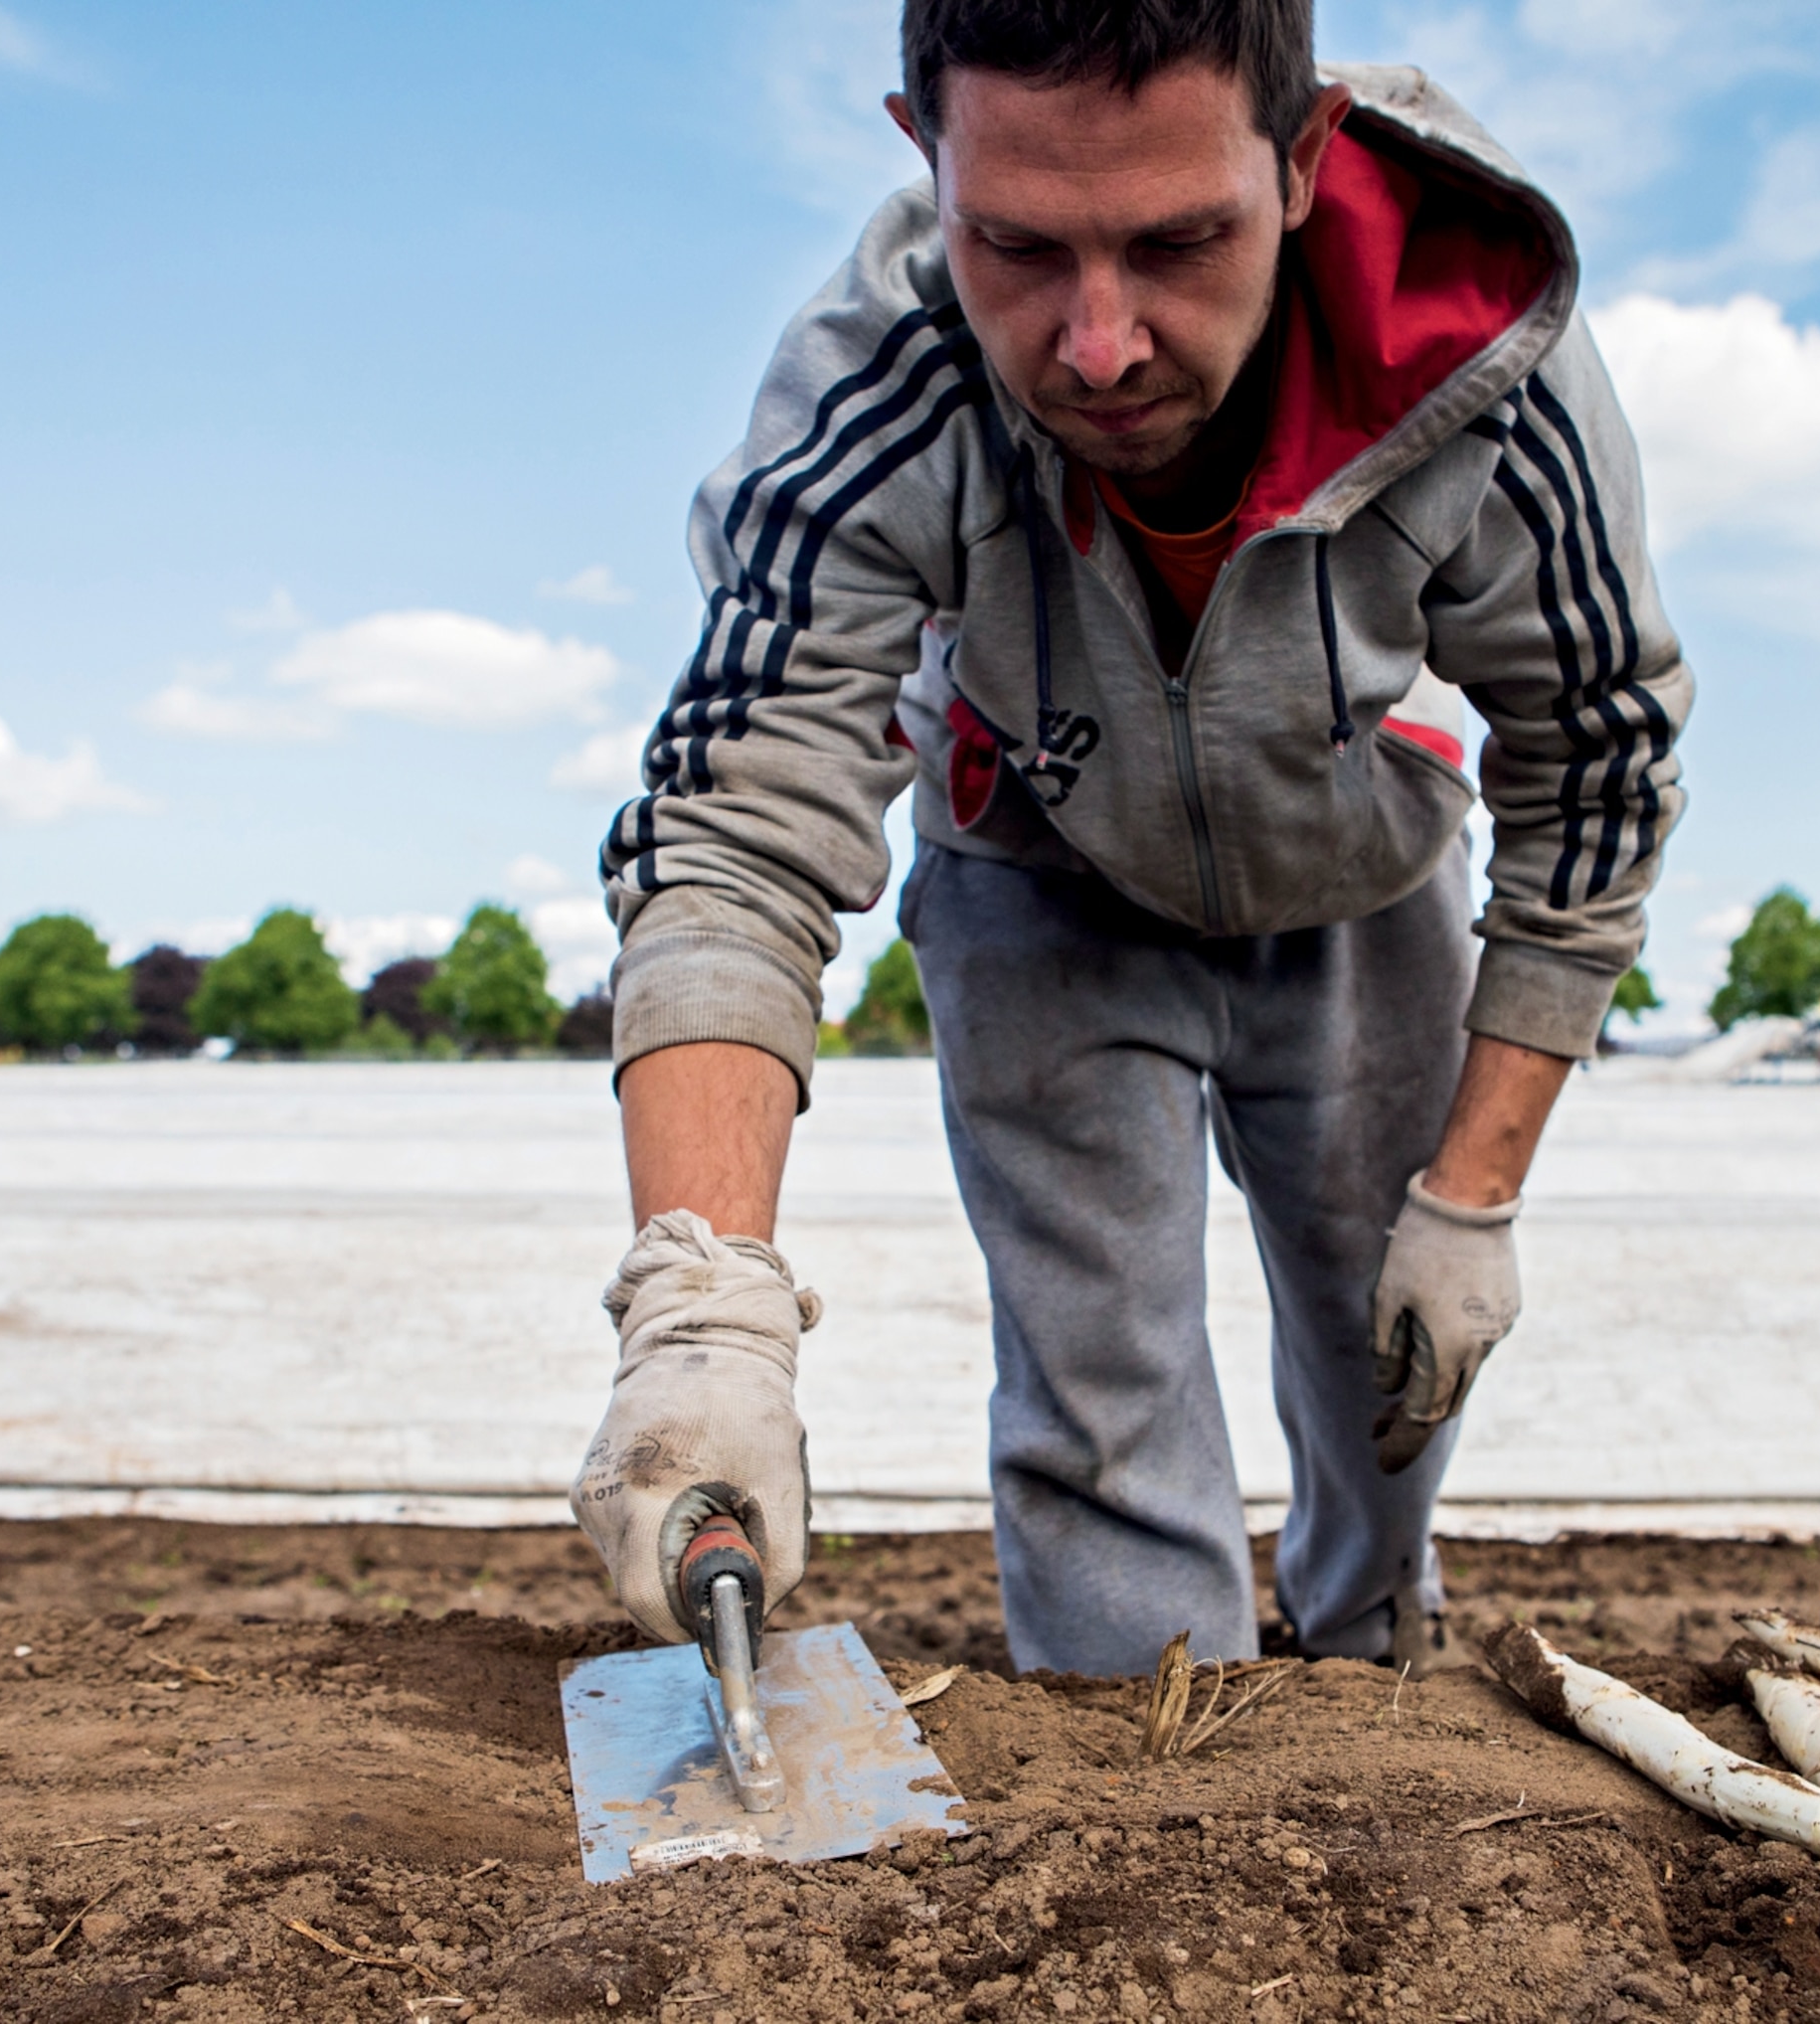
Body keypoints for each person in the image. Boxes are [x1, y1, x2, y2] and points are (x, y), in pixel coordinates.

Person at [575, 0, 1690, 1678]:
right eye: (1016, 243)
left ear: (1304, 159)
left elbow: (1596, 748)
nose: (1098, 345)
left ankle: (1371, 1643)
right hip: (1037, 872)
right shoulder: (889, 377)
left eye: (1181, 242)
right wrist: (700, 1305)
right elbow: (741, 812)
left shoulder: (1473, 356)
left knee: (1378, 1390)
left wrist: (1471, 1198)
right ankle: (1142, 1782)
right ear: (924, 156)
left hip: (1361, 878)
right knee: (1104, 1405)